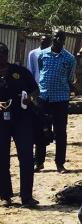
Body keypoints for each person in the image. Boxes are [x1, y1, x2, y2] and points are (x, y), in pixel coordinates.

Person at [0, 42, 40, 208]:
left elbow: (35, 90)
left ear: (7, 55)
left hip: (22, 120)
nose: (1, 58)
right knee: (2, 159)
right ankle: (5, 195)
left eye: (3, 54)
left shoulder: (20, 72)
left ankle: (27, 197)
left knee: (26, 158)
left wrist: (28, 98)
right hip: (1, 122)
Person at [34, 30, 75, 174]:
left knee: (60, 132)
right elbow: (41, 71)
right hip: (44, 98)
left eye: (61, 37)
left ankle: (60, 163)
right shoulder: (42, 55)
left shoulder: (69, 59)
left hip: (61, 100)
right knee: (41, 131)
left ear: (64, 40)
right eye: (56, 36)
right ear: (52, 38)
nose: (57, 39)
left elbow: (70, 78)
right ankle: (39, 162)